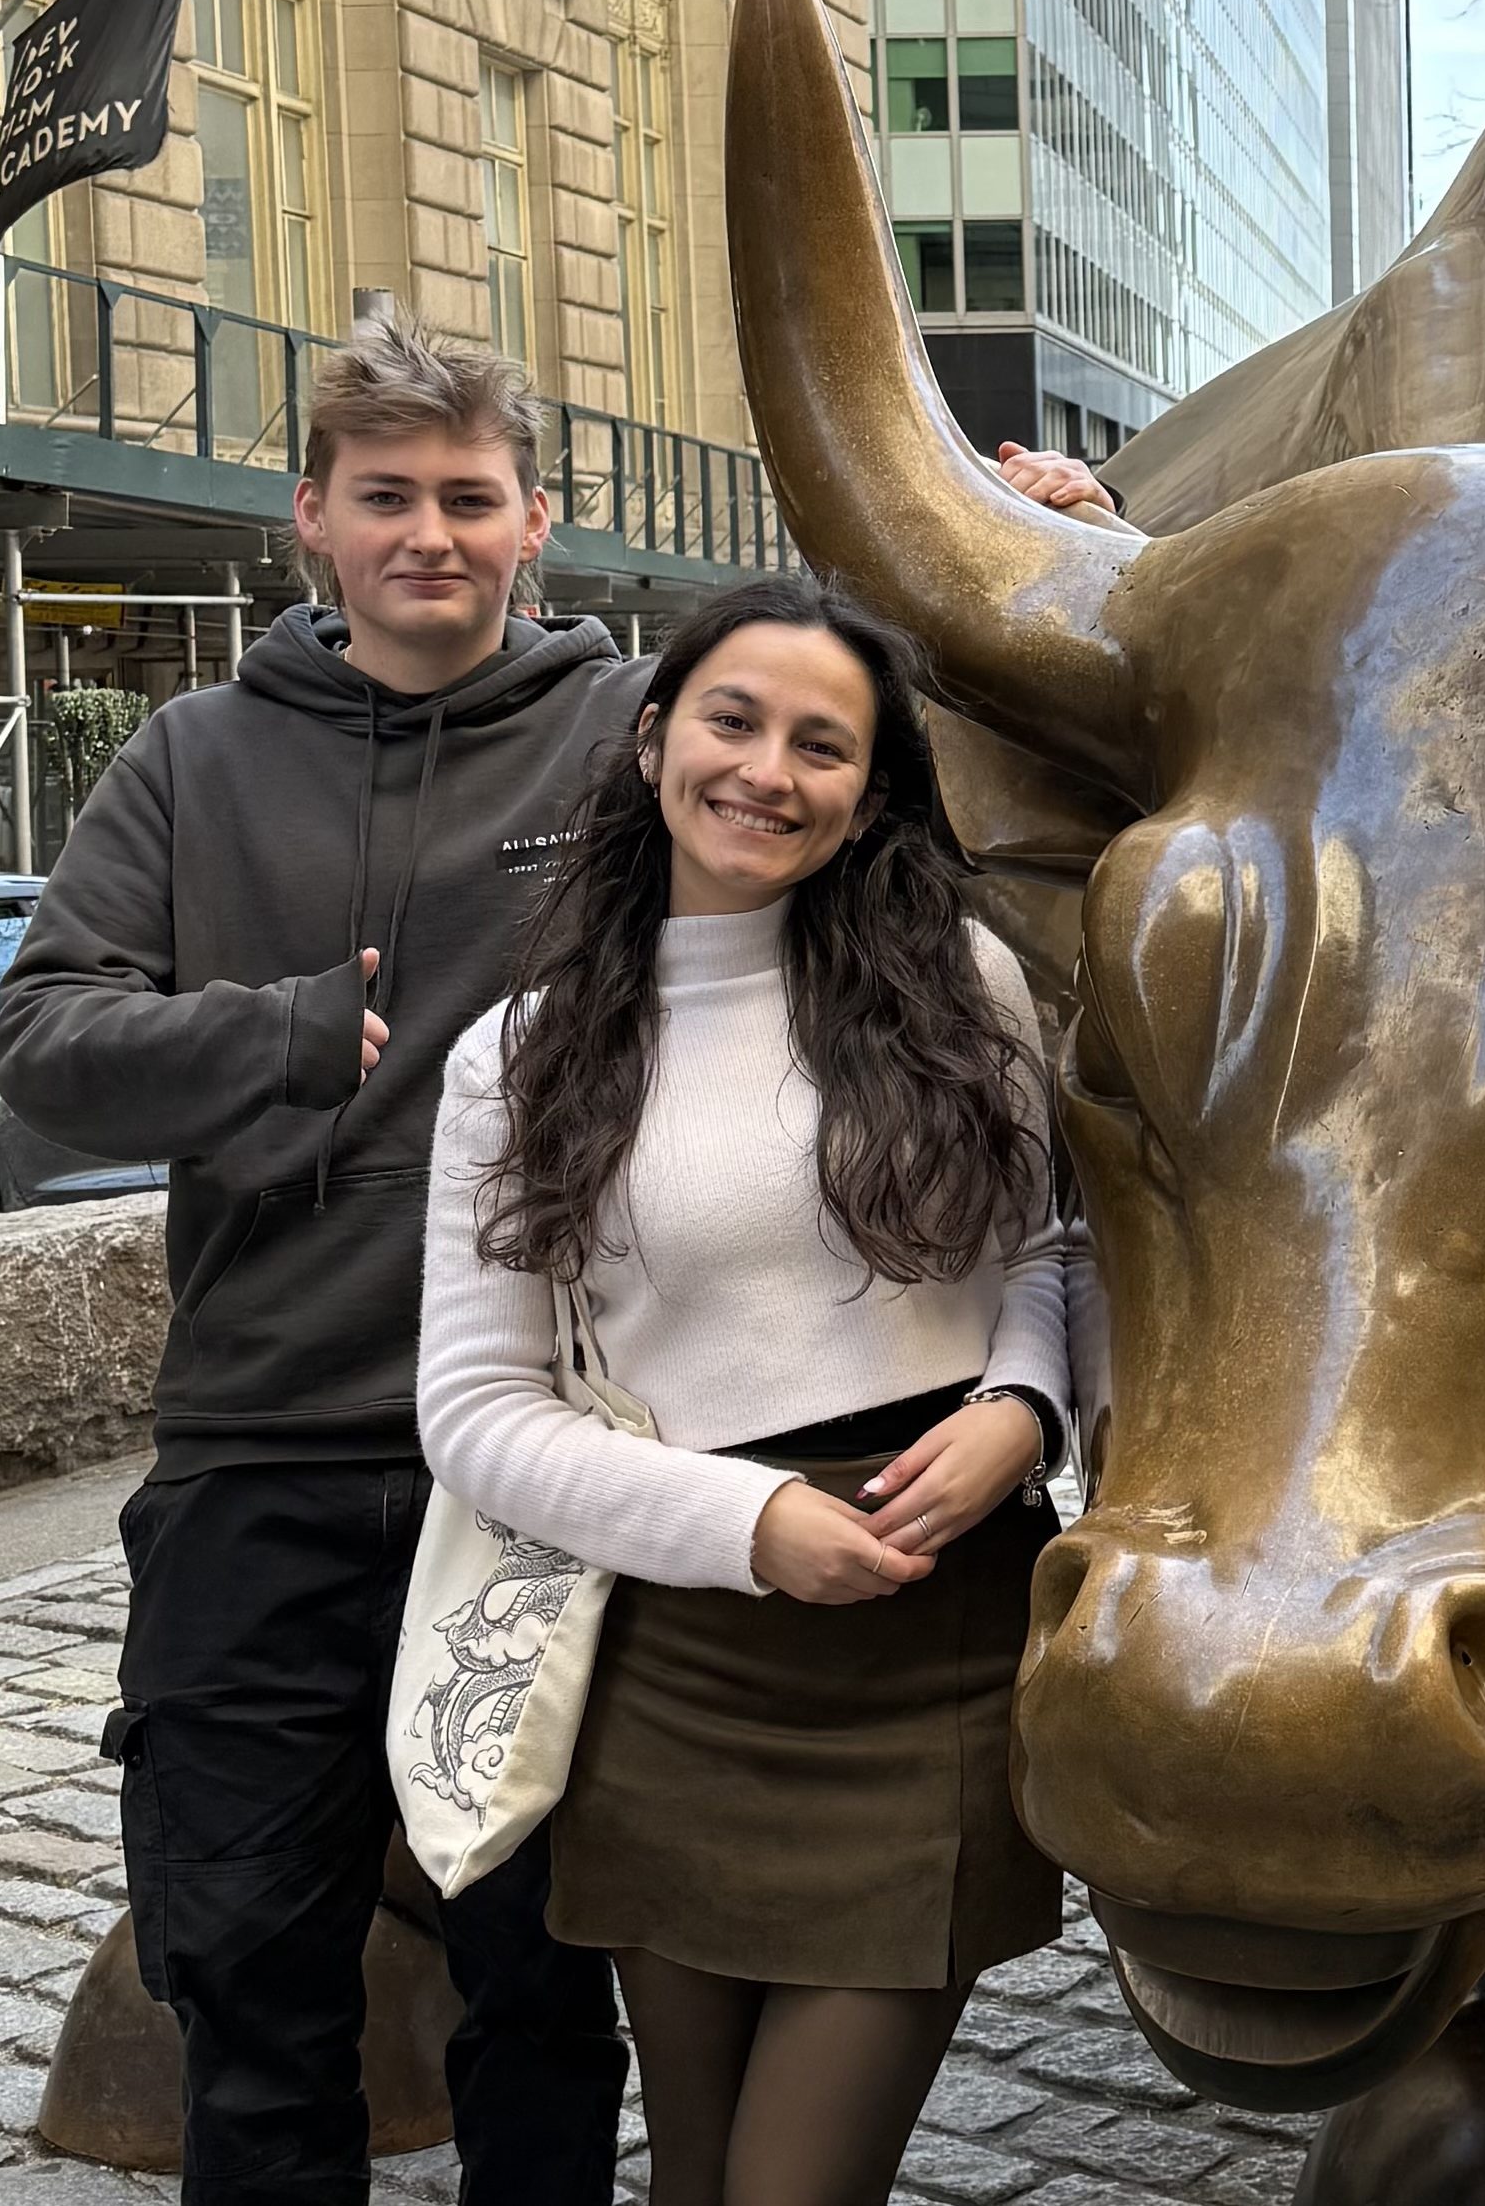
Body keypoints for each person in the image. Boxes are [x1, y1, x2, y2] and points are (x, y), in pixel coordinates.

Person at [0, 318, 638, 2202]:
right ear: (311, 523)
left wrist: (1082, 521)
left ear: (532, 524)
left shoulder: (624, 738)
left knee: (537, 1983)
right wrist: (268, 1037)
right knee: (253, 1985)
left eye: (466, 497)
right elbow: (41, 1047)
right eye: (385, 498)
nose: (427, 532)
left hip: (529, 1472)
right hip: (259, 1456)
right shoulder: (193, 758)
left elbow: (851, 753)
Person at [416, 577, 1071, 2206]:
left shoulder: (961, 994)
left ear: (867, 798)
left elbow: (1055, 1253)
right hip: (675, 1651)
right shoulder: (520, 1054)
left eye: (821, 744)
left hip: (933, 1637)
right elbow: (479, 1410)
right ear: (652, 744)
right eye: (732, 720)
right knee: (698, 2178)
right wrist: (749, 1519)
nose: (767, 769)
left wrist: (1025, 1412)